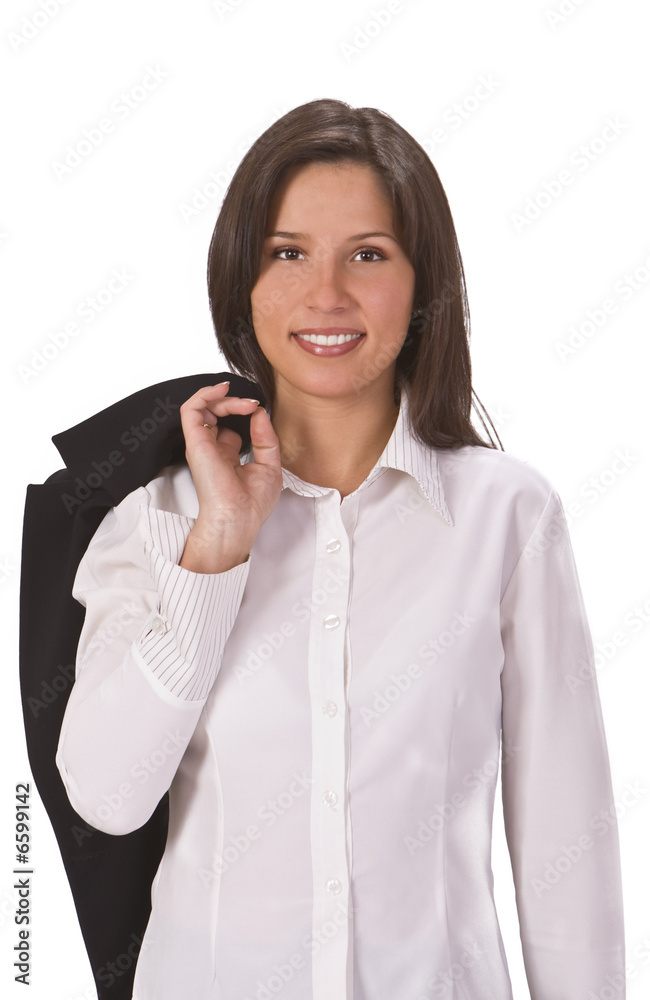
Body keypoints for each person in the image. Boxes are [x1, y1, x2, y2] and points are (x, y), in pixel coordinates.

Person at [55, 98, 625, 999]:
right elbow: (106, 798)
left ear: (423, 282)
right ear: (242, 280)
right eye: (288, 253)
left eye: (368, 254)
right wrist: (217, 552)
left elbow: (567, 842)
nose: (326, 295)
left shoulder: (508, 517)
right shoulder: (159, 517)